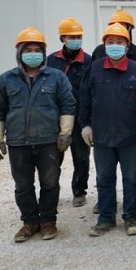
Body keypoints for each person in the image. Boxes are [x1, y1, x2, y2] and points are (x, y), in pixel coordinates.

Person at [0, 27, 75, 242]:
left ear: (44, 53)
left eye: (37, 50)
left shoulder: (56, 77)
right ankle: (29, 222)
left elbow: (67, 104)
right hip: (18, 142)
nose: (33, 54)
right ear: (20, 53)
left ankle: (48, 221)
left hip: (49, 142)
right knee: (23, 186)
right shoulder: (5, 80)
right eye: (28, 50)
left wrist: (65, 133)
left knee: (50, 183)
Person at [80, 22, 136, 237]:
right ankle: (105, 218)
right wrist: (85, 125)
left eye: (119, 42)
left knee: (131, 178)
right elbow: (84, 99)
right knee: (104, 178)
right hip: (102, 136)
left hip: (130, 137)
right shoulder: (94, 69)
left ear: (127, 46)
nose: (115, 45)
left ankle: (131, 217)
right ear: (104, 45)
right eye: (110, 42)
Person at [47, 18, 92, 208]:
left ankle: (79, 191)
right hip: (56, 117)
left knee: (81, 157)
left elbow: (90, 91)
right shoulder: (51, 60)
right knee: (52, 158)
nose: (76, 40)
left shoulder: (88, 61)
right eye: (72, 37)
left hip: (79, 117)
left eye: (78, 37)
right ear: (62, 38)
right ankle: (51, 191)